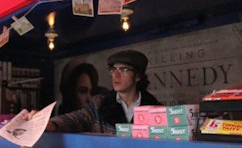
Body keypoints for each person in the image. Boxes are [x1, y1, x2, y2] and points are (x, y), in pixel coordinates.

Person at [27, 49, 162, 134]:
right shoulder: (100, 104)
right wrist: (48, 123)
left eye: (124, 70)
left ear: (138, 76)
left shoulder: (155, 110)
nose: (116, 75)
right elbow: (76, 119)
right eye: (113, 70)